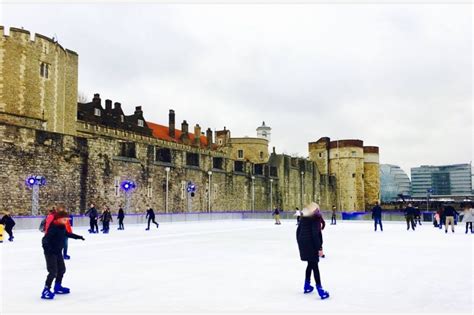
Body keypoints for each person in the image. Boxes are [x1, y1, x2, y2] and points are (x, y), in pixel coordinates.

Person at [41, 209, 85, 300]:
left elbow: (67, 234)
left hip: (58, 252)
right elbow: (45, 240)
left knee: (62, 270)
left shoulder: (62, 227)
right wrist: (48, 249)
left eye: (67, 220)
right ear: (58, 219)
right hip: (50, 253)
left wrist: (78, 237)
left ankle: (57, 286)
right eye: (64, 219)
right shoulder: (53, 228)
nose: (66, 221)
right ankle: (46, 290)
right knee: (53, 272)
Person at [296, 202, 329, 300]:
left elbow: (298, 232)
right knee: (315, 266)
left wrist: (300, 244)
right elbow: (315, 234)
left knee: (310, 264)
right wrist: (319, 248)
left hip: (304, 243)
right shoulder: (315, 218)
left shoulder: (303, 218)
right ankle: (320, 290)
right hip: (311, 244)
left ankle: (307, 286)